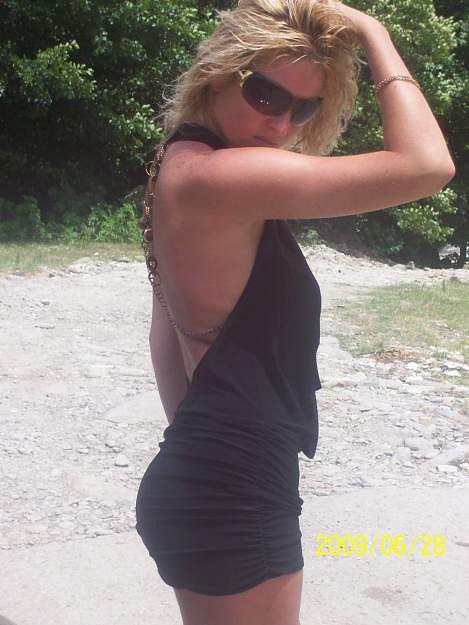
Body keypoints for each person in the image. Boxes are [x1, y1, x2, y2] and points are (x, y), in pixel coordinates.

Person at [135, 1, 455, 623]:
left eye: (303, 108)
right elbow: (427, 165)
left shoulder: (178, 165)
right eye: (265, 94)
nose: (280, 122)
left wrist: (203, 448)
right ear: (218, 73)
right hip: (230, 490)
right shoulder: (219, 177)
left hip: (217, 476)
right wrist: (373, 31)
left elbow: (165, 332)